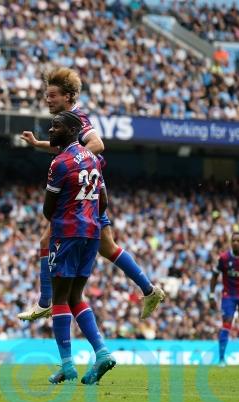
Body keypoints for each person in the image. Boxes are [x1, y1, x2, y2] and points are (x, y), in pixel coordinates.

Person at [18, 67, 164, 321]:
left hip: (81, 192)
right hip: (89, 189)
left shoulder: (78, 118)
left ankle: (44, 303)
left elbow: (97, 144)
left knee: (46, 241)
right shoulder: (67, 121)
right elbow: (68, 148)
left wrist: (75, 162)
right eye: (47, 95)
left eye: (52, 95)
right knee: (107, 247)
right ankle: (149, 290)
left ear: (68, 96)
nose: (47, 100)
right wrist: (37, 144)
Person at [43, 111, 115, 385]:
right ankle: (102, 352)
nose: (51, 130)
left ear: (73, 131)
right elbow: (103, 201)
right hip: (92, 233)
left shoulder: (59, 162)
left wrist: (68, 219)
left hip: (67, 233)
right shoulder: (94, 159)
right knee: (76, 296)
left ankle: (67, 365)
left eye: (56, 126)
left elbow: (48, 209)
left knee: (60, 298)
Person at [210, 231, 239, 366]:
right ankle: (221, 359)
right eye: (234, 240)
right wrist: (211, 295)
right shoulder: (224, 258)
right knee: (226, 324)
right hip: (229, 296)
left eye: (238, 241)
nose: (236, 243)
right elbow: (214, 276)